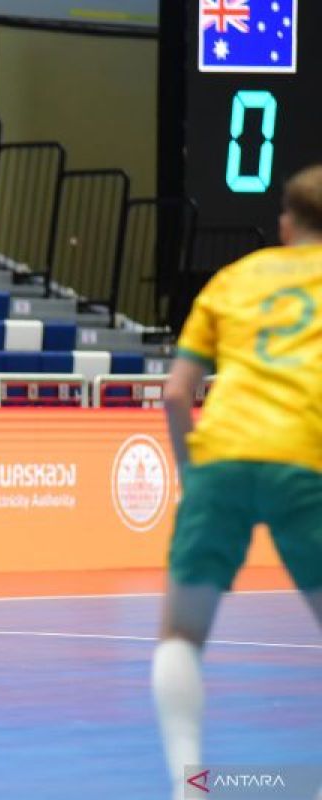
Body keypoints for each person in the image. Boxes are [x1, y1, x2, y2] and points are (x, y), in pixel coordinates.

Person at [152, 165, 322, 795]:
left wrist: (190, 473)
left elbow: (175, 393)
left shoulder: (234, 278)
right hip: (304, 459)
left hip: (221, 459)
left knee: (180, 635)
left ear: (285, 224)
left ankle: (189, 783)